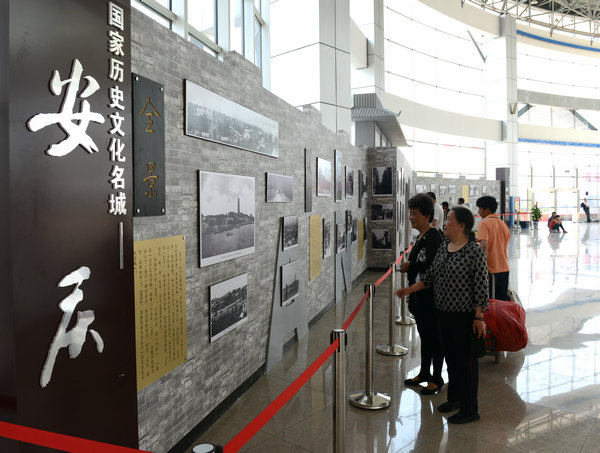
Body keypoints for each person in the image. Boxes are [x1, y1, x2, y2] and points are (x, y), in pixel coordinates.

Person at [397, 207, 488, 424]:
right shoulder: (445, 247)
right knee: (451, 360)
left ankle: (470, 409)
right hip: (443, 314)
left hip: (465, 317)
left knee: (466, 363)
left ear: (462, 226)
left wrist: (478, 317)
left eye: (449, 219)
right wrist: (409, 290)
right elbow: (430, 276)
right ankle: (454, 399)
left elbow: (482, 286)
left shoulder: (473, 251)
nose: (444, 223)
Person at [400, 194, 444, 395]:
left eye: (414, 214)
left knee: (434, 337)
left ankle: (436, 378)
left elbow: (434, 268)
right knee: (425, 336)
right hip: (420, 296)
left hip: (430, 297)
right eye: (410, 213)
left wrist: (411, 265)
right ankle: (424, 372)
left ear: (426, 215)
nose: (411, 217)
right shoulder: (422, 236)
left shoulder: (433, 237)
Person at [476, 196, 511, 301]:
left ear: (487, 210)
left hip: (490, 270)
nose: (478, 211)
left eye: (480, 208)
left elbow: (484, 246)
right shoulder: (502, 224)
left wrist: (480, 267)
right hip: (504, 268)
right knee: (501, 303)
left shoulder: (484, 223)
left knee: (490, 303)